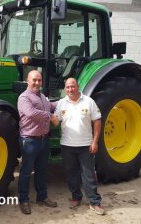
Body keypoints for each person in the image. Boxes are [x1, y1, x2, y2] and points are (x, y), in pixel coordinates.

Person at [51, 78, 105, 215]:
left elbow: (97, 121)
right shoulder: (62, 103)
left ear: (77, 86)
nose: (70, 89)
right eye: (68, 87)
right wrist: (48, 115)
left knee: (89, 175)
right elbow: (57, 122)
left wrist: (95, 141)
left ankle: (94, 202)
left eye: (72, 86)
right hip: (67, 145)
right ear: (65, 88)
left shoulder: (88, 101)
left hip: (86, 145)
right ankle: (76, 197)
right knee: (71, 174)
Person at [17, 70, 58, 214]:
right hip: (29, 141)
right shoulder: (24, 97)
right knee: (26, 172)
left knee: (42, 170)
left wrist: (67, 101)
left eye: (39, 80)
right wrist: (50, 116)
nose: (37, 83)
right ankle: (24, 200)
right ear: (27, 80)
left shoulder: (42, 97)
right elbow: (31, 113)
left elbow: (51, 105)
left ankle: (42, 197)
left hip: (43, 140)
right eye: (34, 80)